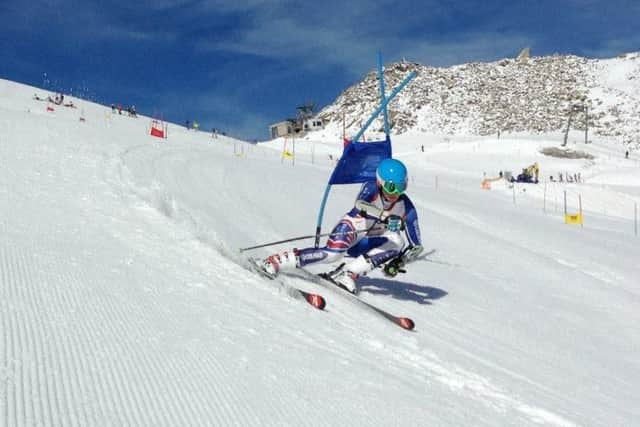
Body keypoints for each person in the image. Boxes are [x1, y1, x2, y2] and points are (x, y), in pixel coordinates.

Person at [260, 158, 423, 294]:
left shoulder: (406, 207)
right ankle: (276, 261)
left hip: (368, 241)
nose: (395, 193)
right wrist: (384, 216)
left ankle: (348, 273)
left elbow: (416, 246)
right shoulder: (371, 187)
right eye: (391, 187)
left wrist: (398, 262)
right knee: (332, 255)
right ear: (380, 182)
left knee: (397, 242)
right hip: (352, 227)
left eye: (401, 187)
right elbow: (360, 204)